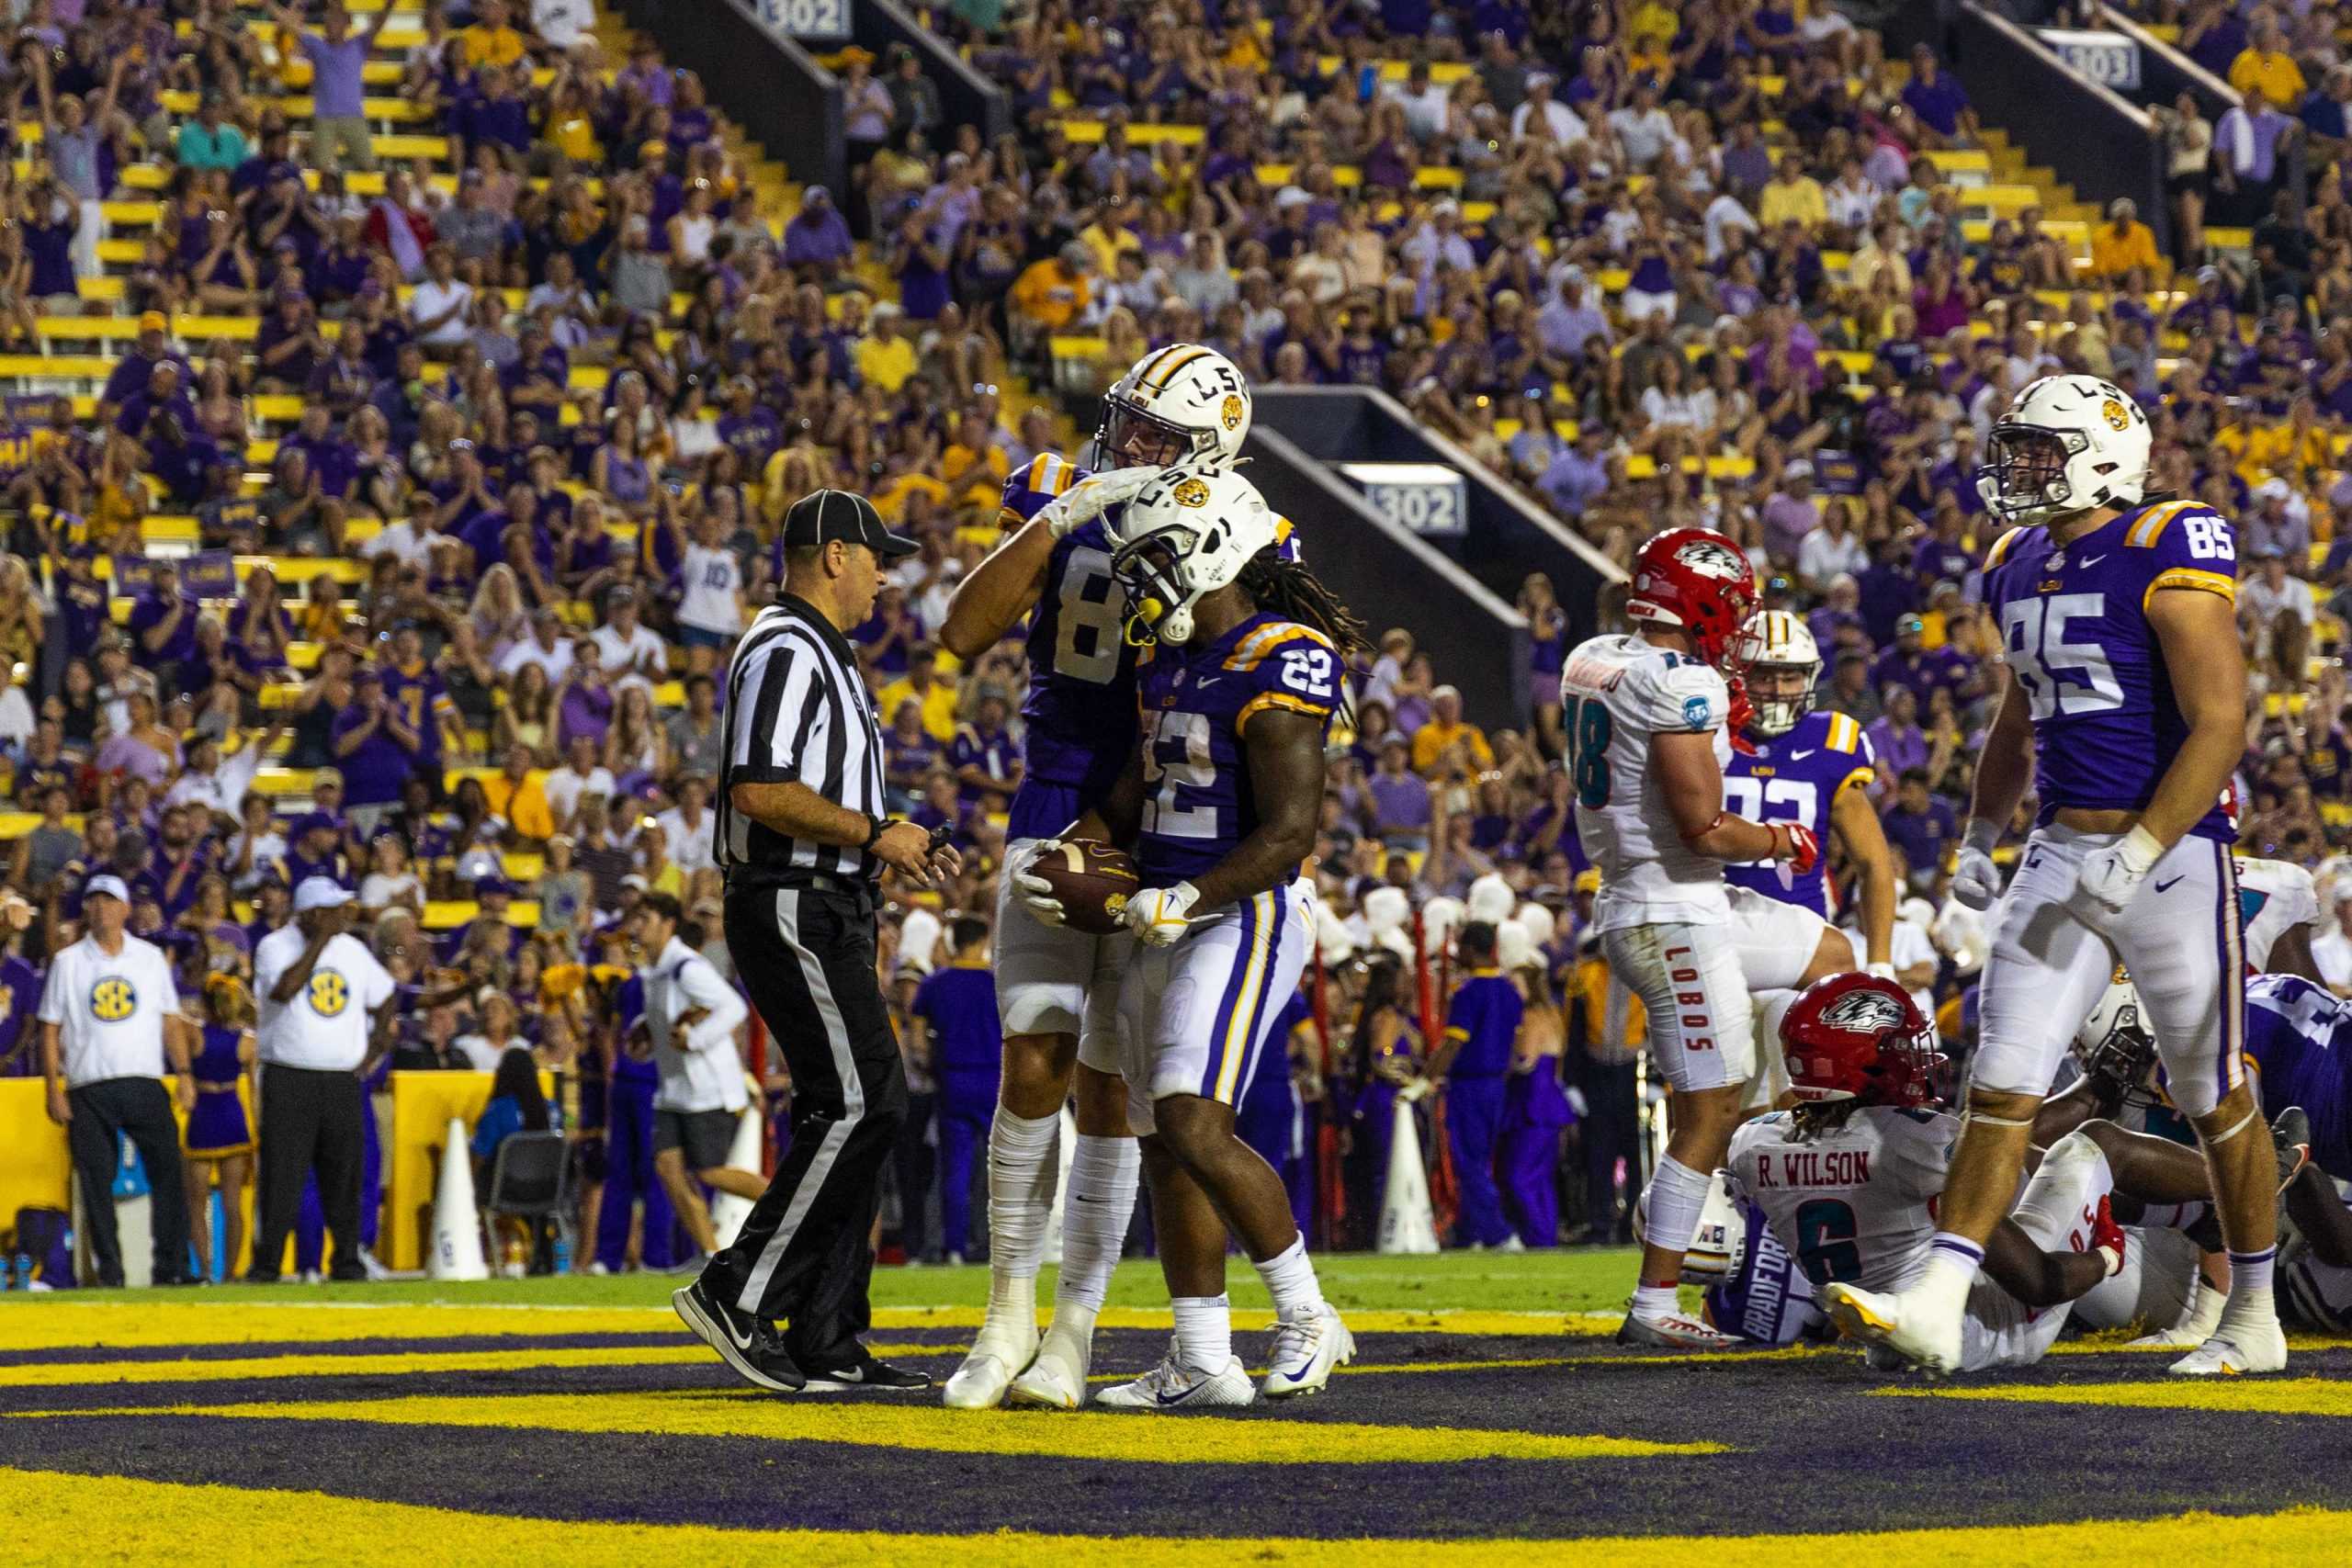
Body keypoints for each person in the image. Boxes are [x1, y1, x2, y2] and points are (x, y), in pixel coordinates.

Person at [1827, 375, 2285, 1378]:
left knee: (2212, 1093)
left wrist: (2142, 847)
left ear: (2101, 454)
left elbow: (2219, 724)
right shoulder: (2014, 557)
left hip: (2173, 858)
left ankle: (2253, 1313)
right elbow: (2014, 719)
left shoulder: (2164, 540)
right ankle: (1938, 1304)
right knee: (2000, 1083)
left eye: (2042, 450)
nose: (2019, 468)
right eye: (2019, 449)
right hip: (2055, 853)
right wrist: (1977, 837)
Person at [936, 343, 1253, 1411]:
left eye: (1161, 438)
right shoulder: (1060, 490)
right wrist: (1064, 518)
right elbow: (962, 630)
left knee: (1113, 1086)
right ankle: (1002, 1316)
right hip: (1050, 798)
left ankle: (1075, 1329)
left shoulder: (1246, 526)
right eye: (1128, 423)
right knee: (1033, 1057)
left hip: (1161, 826)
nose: (1131, 447)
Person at [1016, 465, 1363, 1408]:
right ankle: (1201, 1356)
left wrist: (1189, 895)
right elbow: (1144, 784)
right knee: (1161, 1141)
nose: (1143, 582)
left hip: (1238, 912)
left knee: (1189, 1121)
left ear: (1212, 548)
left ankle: (1304, 1315)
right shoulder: (1173, 660)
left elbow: (1291, 832)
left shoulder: (1282, 654)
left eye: (1156, 560)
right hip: (1166, 909)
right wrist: (1078, 846)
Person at [674, 490, 959, 1395]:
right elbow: (757, 789)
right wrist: (875, 829)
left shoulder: (815, 652)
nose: (885, 577)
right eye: (877, 557)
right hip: (794, 899)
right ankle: (740, 1290)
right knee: (860, 1103)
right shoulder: (786, 647)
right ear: (834, 554)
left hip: (822, 901)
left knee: (861, 1106)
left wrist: (877, 834)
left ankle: (826, 1334)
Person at [1559, 528, 1815, 1348]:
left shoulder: (1594, 657)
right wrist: (1781, 841)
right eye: (1732, 604)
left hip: (1658, 900)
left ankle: (1784, 1173)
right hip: (1673, 909)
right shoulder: (1683, 681)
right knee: (1709, 1106)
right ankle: (1659, 1293)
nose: (1740, 621)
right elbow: (1704, 827)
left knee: (1830, 961)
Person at [1733, 973, 2228, 1372]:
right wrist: (2107, 1257)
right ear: (1865, 1061)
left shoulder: (1752, 1144)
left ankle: (2200, 1200)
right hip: (1991, 1330)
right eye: (1901, 1047)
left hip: (1882, 1341)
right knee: (2094, 1144)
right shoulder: (1913, 1140)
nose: (1915, 1058)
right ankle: (2245, 1169)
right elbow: (2041, 1281)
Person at [38, 874, 196, 1287]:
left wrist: (184, 1073)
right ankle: (110, 1271)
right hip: (89, 1083)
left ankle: (172, 1266)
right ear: (86, 910)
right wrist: (53, 1087)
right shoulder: (68, 962)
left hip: (144, 1079)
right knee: (95, 1181)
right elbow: (50, 1028)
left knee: (168, 1172)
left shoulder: (149, 958)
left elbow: (170, 1020)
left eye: (110, 901)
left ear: (126, 909)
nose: (101, 909)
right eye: (94, 902)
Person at [1722, 610, 1894, 985]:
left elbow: (1874, 862)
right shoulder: (1706, 734)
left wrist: (1881, 964)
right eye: (1764, 675)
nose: (1778, 689)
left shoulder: (1830, 738)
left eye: (1789, 676)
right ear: (1738, 677)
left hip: (1802, 933)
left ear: (1810, 677)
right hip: (1715, 920)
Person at [246, 876, 397, 1282]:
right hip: (289, 1076)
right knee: (282, 1175)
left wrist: (378, 1040)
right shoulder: (274, 946)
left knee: (344, 1175)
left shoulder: (352, 950)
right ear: (311, 914)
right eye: (333, 910)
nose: (342, 916)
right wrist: (319, 943)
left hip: (340, 1079)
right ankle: (268, 1264)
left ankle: (347, 1260)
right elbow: (285, 989)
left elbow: (386, 995)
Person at [633, 890, 760, 1259]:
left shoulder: (686, 967)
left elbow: (733, 1007)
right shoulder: (655, 970)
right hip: (674, 1090)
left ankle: (793, 1208)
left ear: (667, 924)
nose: (637, 926)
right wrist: (645, 1030)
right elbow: (670, 1016)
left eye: (646, 919)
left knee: (711, 1172)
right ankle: (709, 1255)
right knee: (667, 1167)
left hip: (706, 1087)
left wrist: (697, 1040)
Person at [908, 914, 1001, 1264]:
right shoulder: (996, 983)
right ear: (982, 941)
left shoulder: (935, 984)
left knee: (955, 1170)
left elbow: (917, 1040)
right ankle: (1001, 1245)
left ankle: (955, 1248)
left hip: (953, 1080)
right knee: (1002, 1168)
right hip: (994, 1081)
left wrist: (927, 1064)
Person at [1427, 920, 1522, 1250]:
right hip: (1497, 1085)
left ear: (1469, 949)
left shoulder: (1468, 992)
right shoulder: (1510, 990)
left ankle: (1499, 1233)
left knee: (1467, 1161)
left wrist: (1427, 1077)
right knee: (1479, 1160)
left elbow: (1453, 1043)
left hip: (1470, 1085)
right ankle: (1472, 1233)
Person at [182, 974, 258, 1280]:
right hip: (231, 1112)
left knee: (196, 1202)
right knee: (232, 1203)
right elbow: (254, 1093)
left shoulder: (193, 1034)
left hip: (204, 1112)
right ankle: (230, 1272)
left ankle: (203, 1270)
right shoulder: (249, 1043)